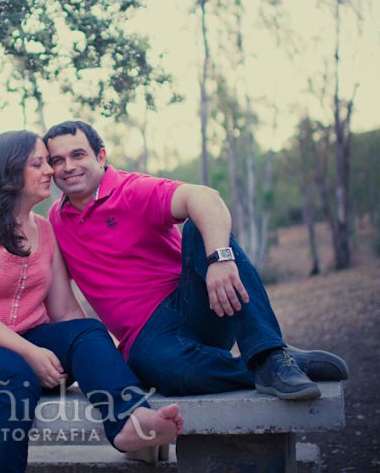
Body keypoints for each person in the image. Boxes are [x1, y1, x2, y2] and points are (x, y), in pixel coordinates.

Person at [0, 131, 183, 473]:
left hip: (28, 352)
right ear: (9, 171)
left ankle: (126, 422)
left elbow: (65, 312)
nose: (50, 171)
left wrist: (105, 360)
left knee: (86, 330)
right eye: (38, 163)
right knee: (12, 375)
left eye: (48, 162)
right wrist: (28, 352)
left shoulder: (45, 230)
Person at [43, 120, 349, 400]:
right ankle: (270, 365)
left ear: (100, 156)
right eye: (58, 160)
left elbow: (205, 197)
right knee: (164, 373)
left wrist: (220, 259)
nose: (68, 166)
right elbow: (59, 301)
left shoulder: (131, 190)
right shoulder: (55, 221)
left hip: (196, 304)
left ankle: (269, 351)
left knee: (199, 227)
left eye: (78, 155)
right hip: (149, 338)